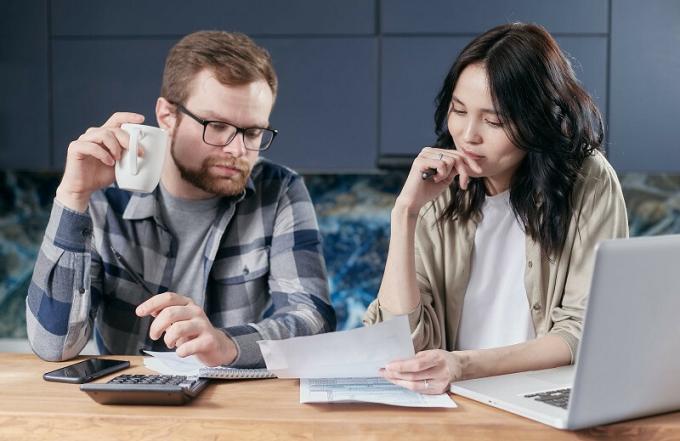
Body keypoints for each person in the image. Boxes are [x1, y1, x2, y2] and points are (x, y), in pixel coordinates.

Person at [27, 31, 336, 368]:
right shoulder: (104, 198)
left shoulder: (279, 191)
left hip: (235, 406)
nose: (237, 150)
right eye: (217, 126)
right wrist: (73, 196)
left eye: (252, 132)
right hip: (129, 408)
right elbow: (53, 347)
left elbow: (312, 318)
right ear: (166, 116)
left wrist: (227, 344)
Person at [364, 23, 628, 393]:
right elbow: (400, 343)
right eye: (458, 110)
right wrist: (405, 213)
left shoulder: (589, 181)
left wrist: (462, 365)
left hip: (540, 399)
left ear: (537, 120)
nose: (469, 134)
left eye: (494, 120)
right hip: (452, 404)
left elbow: (583, 331)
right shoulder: (435, 186)